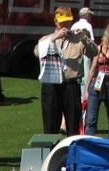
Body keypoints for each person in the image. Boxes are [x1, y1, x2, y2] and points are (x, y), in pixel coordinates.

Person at [36, 7, 96, 136]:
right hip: (51, 86)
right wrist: (54, 38)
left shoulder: (78, 38)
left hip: (71, 85)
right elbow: (37, 52)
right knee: (50, 126)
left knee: (73, 125)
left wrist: (84, 38)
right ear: (55, 21)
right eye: (62, 22)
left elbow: (94, 52)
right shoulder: (47, 39)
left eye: (68, 21)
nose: (65, 25)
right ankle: (51, 153)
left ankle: (72, 153)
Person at [84, 21, 109, 137]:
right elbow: (93, 68)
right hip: (96, 83)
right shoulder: (100, 47)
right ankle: (89, 141)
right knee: (91, 118)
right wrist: (87, 89)